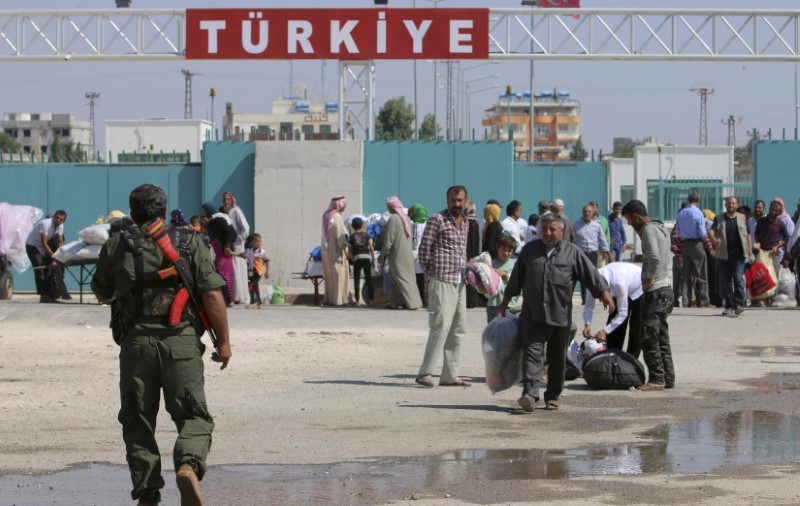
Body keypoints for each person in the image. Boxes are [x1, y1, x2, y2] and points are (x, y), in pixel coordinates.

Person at [91, 183, 231, 506]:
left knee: (137, 418)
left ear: (132, 212)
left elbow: (101, 292)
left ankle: (148, 492)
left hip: (136, 345)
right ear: (164, 212)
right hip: (181, 342)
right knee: (194, 416)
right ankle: (187, 467)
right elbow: (211, 295)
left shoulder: (116, 244)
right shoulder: (189, 240)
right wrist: (223, 343)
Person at [495, 212, 614, 411]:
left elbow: (590, 275)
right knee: (531, 355)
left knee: (557, 358)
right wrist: (503, 304)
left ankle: (552, 396)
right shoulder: (530, 250)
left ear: (562, 230)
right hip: (533, 315)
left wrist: (604, 293)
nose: (547, 233)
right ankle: (530, 394)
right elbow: (516, 280)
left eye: (552, 229)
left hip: (560, 316)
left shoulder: (572, 252)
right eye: (544, 229)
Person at [415, 185, 471, 388]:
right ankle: (425, 373)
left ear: (466, 201)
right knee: (440, 327)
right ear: (447, 200)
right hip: (442, 279)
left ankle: (450, 375)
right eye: (453, 200)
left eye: (460, 200)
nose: (456, 204)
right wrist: (431, 272)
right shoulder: (437, 220)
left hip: (460, 281)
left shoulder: (466, 222)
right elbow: (424, 249)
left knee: (458, 329)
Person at [621, 199, 675, 391]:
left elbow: (653, 256)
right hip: (666, 288)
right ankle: (668, 376)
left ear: (636, 216)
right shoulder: (661, 228)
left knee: (649, 336)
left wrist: (648, 279)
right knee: (661, 336)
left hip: (656, 290)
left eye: (628, 219)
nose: (628, 223)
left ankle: (657, 378)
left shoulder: (649, 230)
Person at [582, 262, 643, 358]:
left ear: (608, 291)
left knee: (636, 328)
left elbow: (623, 313)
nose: (601, 301)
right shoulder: (591, 283)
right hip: (619, 285)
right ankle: (612, 357)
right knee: (614, 326)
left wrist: (605, 331)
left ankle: (631, 360)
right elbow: (588, 306)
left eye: (602, 298)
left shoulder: (619, 283)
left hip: (639, 287)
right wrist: (587, 324)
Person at [708, 196, 752, 316]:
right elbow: (711, 231)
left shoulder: (743, 218)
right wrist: (714, 240)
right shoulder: (719, 218)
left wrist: (750, 252)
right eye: (729, 204)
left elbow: (748, 235)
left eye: (733, 203)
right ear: (726, 205)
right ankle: (729, 306)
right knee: (726, 282)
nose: (731, 205)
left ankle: (739, 304)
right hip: (724, 255)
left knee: (738, 279)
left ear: (737, 205)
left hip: (739, 255)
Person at [378, 196, 422, 310]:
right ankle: (398, 302)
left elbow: (389, 240)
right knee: (395, 279)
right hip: (406, 253)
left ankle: (413, 303)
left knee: (403, 278)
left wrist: (383, 254)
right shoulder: (406, 218)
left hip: (397, 254)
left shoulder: (394, 219)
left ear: (390, 207)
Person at [754, 198, 795, 306]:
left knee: (774, 277)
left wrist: (777, 246)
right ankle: (762, 299)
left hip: (774, 254)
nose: (774, 213)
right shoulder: (762, 222)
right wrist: (757, 243)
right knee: (763, 277)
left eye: (777, 211)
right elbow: (756, 234)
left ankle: (772, 299)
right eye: (772, 210)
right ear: (769, 208)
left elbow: (786, 238)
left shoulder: (780, 223)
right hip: (763, 253)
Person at [676, 192, 713, 308]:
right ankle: (704, 301)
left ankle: (686, 302)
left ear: (688, 200)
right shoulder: (698, 213)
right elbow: (702, 232)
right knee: (701, 273)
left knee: (686, 275)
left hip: (685, 244)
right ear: (698, 201)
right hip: (696, 243)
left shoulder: (681, 213)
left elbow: (678, 231)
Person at [25, 209, 68, 303]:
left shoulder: (60, 226)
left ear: (63, 221)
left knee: (50, 268)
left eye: (61, 219)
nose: (58, 220)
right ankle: (43, 295)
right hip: (33, 246)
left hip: (42, 247)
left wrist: (62, 255)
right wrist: (54, 256)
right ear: (54, 217)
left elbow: (60, 242)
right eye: (57, 218)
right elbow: (44, 244)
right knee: (40, 268)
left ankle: (52, 294)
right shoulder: (45, 224)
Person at [574, 204, 612, 303]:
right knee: (582, 276)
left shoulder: (596, 225)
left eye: (589, 211)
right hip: (581, 254)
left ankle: (592, 297)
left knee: (592, 275)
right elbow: (572, 240)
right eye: (585, 211)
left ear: (593, 213)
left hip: (593, 254)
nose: (587, 213)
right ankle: (584, 299)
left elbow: (603, 239)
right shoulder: (576, 225)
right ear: (582, 212)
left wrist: (608, 253)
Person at [201, 201, 237, 306]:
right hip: (220, 251)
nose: (202, 212)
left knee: (223, 274)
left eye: (204, 210)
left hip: (224, 251)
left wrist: (227, 245)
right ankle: (225, 299)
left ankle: (230, 299)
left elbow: (231, 233)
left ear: (209, 211)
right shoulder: (213, 220)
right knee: (220, 273)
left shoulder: (219, 219)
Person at [222, 192, 250, 305]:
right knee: (233, 271)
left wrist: (239, 238)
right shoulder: (225, 212)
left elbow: (246, 228)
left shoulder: (236, 211)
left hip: (238, 246)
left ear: (232, 200)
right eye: (224, 199)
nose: (226, 202)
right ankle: (235, 296)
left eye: (228, 199)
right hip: (230, 246)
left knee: (239, 271)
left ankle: (241, 296)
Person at [321, 196, 350, 306]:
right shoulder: (337, 217)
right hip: (336, 252)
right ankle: (338, 300)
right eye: (344, 204)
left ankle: (329, 299)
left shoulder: (326, 215)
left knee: (330, 276)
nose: (345, 207)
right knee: (338, 276)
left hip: (326, 251)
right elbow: (340, 238)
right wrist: (346, 250)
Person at [485, 235, 517, 323]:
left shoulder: (515, 263)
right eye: (503, 249)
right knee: (493, 333)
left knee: (511, 333)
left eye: (509, 251)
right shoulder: (490, 264)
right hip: (493, 304)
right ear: (498, 248)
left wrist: (504, 274)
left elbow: (518, 280)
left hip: (510, 304)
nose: (506, 253)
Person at [348, 217, 375, 306]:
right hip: (367, 257)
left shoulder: (351, 237)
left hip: (357, 258)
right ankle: (371, 300)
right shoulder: (366, 235)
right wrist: (373, 259)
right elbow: (371, 248)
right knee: (368, 279)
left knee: (357, 280)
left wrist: (353, 259)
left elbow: (350, 252)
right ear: (362, 225)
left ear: (352, 226)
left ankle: (358, 301)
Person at [408, 203, 428, 304]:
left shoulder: (412, 225)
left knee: (417, 278)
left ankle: (418, 299)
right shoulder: (428, 224)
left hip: (415, 255)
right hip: (426, 254)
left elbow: (412, 240)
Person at [465, 200, 482, 309]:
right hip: (476, 253)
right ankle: (473, 301)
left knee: (468, 277)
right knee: (473, 277)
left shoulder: (467, 222)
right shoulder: (477, 222)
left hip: (468, 253)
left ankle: (469, 302)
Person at [246, 233, 270, 308]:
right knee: (251, 286)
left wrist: (267, 271)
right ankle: (258, 302)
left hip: (258, 272)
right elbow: (242, 255)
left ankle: (254, 302)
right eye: (257, 241)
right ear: (252, 242)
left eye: (260, 241)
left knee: (253, 284)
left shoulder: (262, 252)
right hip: (250, 272)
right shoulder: (249, 251)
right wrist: (232, 253)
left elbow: (267, 261)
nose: (259, 243)